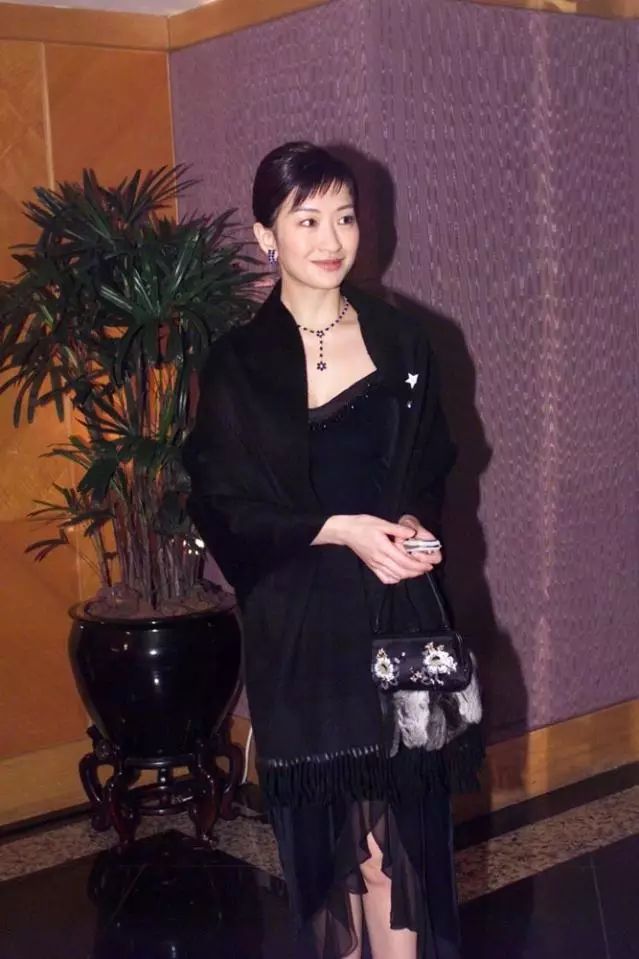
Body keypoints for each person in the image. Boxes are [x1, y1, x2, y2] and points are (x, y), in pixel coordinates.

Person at [182, 141, 484, 959]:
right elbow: (220, 501)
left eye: (344, 217)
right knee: (328, 863)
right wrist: (338, 528)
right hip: (302, 630)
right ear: (265, 235)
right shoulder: (238, 362)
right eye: (306, 219)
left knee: (400, 851)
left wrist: (412, 520)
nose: (331, 238)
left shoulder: (402, 338)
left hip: (396, 616)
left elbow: (432, 460)